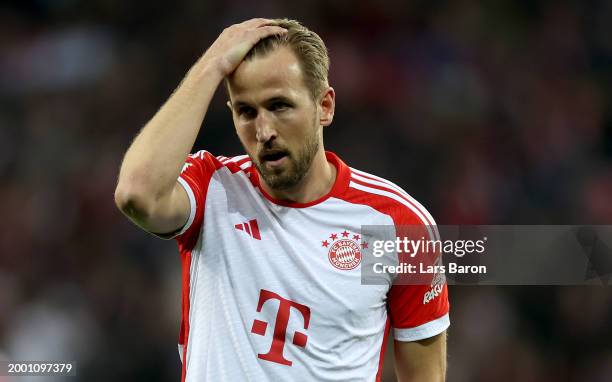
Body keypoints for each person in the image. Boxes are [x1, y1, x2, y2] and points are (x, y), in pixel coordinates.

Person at [114, 17, 449, 382]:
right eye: (246, 111)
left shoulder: (398, 225)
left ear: (324, 106)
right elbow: (137, 194)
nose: (264, 131)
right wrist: (213, 64)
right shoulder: (213, 187)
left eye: (279, 105)